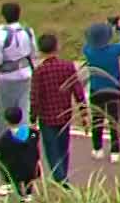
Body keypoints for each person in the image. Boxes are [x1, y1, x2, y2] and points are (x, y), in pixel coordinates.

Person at [30, 32, 85, 186]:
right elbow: (78, 90)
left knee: (52, 151)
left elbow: (35, 97)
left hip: (47, 118)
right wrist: (83, 111)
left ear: (40, 50)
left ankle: (61, 180)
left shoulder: (39, 72)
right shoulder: (67, 67)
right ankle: (63, 176)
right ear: (57, 47)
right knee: (63, 149)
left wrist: (32, 119)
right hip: (65, 115)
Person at [82, 16, 120, 163]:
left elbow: (89, 41)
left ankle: (97, 149)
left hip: (96, 91)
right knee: (114, 122)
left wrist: (106, 26)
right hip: (113, 91)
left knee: (97, 121)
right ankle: (115, 152)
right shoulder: (114, 50)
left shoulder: (89, 51)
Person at [0, 2, 38, 126]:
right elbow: (34, 53)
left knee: (3, 110)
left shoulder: (0, 34)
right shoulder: (28, 31)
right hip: (26, 73)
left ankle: (3, 139)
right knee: (24, 109)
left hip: (7, 77)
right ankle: (22, 138)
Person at [0, 105, 41, 199]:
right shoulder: (32, 133)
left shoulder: (6, 138)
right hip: (30, 166)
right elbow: (35, 138)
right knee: (28, 180)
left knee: (14, 179)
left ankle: (20, 196)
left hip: (14, 167)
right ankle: (29, 194)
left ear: (6, 120)